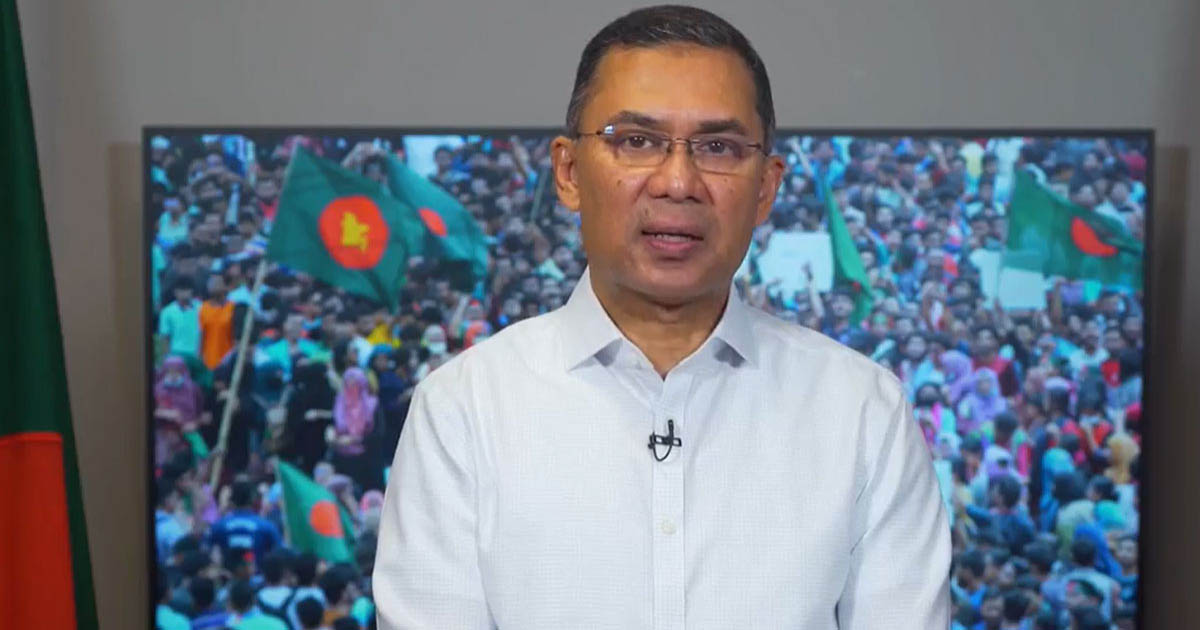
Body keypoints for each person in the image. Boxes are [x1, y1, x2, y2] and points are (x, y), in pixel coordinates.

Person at [373, 6, 950, 628]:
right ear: (568, 172)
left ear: (765, 188)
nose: (678, 182)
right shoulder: (465, 409)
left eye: (718, 147)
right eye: (637, 141)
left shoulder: (862, 413)